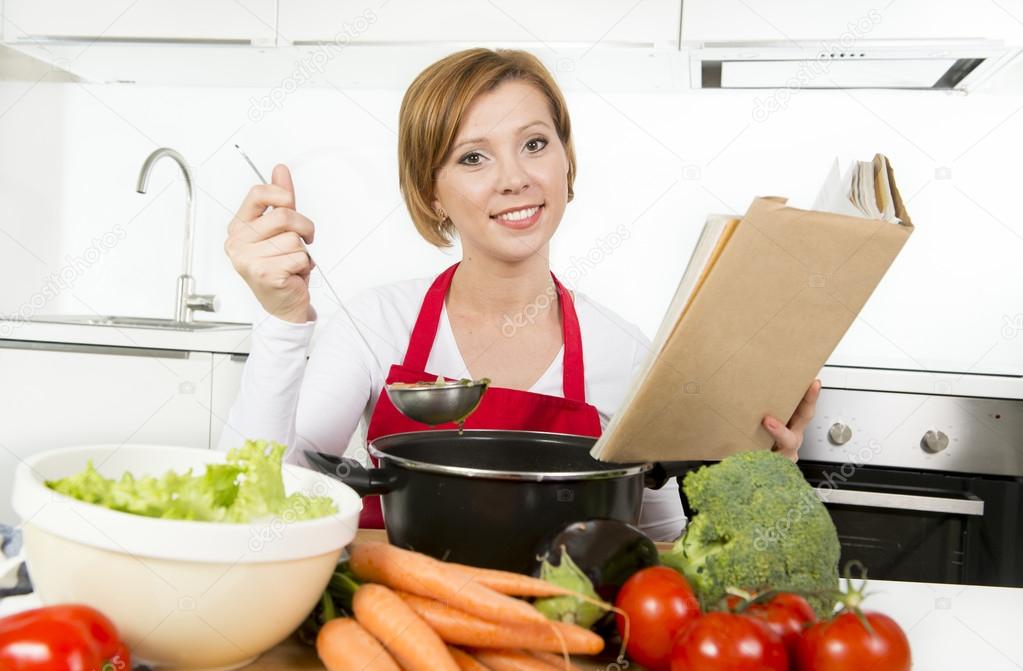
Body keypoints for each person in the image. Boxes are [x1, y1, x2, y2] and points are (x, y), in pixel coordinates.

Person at [218, 48, 821, 541]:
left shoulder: (630, 355)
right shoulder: (377, 325)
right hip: (398, 624)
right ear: (432, 193)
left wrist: (767, 472)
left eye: (535, 144)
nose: (515, 178)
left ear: (565, 161)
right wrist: (283, 320)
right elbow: (255, 496)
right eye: (473, 157)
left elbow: (656, 549)